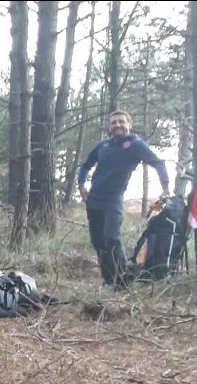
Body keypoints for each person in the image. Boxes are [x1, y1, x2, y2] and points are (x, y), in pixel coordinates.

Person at [76, 110, 170, 289]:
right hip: (94, 199)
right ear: (109, 127)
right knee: (98, 242)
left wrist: (165, 187)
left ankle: (122, 280)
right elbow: (86, 165)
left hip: (113, 199)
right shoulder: (103, 145)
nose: (117, 125)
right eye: (113, 123)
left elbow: (158, 163)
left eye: (121, 122)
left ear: (129, 124)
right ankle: (109, 279)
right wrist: (81, 186)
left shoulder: (136, 145)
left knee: (111, 239)